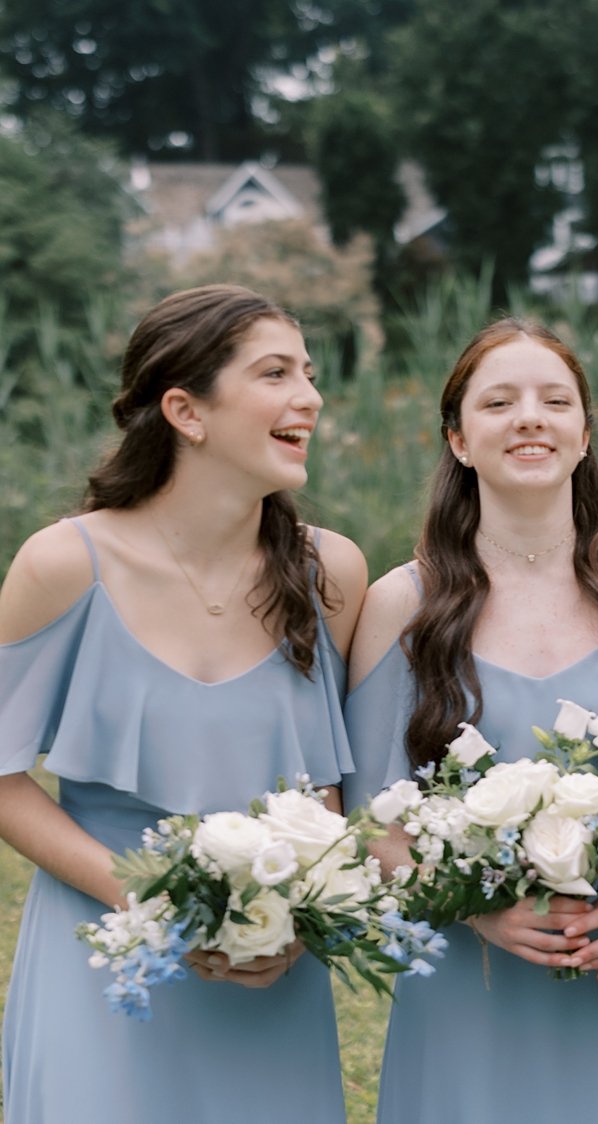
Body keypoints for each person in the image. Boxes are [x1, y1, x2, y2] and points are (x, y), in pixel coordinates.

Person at [0, 285, 365, 1122]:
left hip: (269, 972)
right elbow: (2, 774)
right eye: (275, 373)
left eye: (308, 374)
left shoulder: (331, 574)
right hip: (105, 954)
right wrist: (146, 902)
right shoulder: (65, 565)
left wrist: (296, 919)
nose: (309, 396)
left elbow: (330, 787)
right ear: (185, 411)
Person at [344, 317, 598, 1123]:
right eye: (498, 402)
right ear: (459, 439)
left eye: (555, 400)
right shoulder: (400, 606)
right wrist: (474, 906)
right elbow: (369, 816)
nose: (530, 418)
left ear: (583, 435)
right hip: (468, 984)